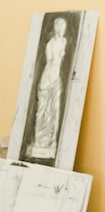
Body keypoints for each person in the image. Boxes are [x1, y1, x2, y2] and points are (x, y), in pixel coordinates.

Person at [28, 16, 68, 159]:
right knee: (42, 112)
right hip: (47, 80)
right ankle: (39, 141)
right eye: (60, 27)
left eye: (64, 28)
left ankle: (50, 143)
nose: (62, 30)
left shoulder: (64, 41)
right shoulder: (50, 44)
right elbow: (50, 63)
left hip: (56, 81)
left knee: (53, 112)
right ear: (56, 28)